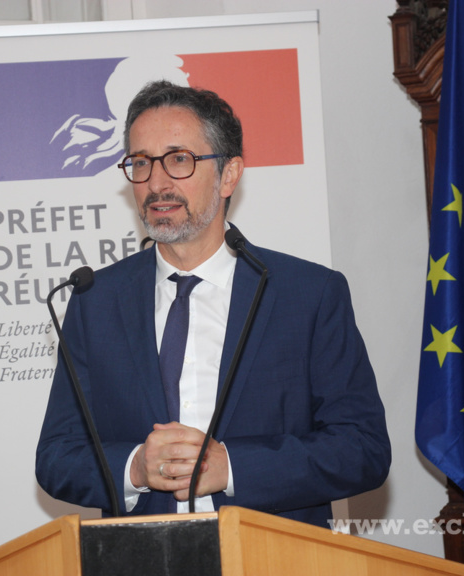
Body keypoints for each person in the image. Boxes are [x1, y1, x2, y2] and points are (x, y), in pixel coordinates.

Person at [35, 80, 390, 527]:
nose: (156, 183)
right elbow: (57, 456)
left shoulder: (308, 294)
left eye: (179, 159)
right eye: (141, 163)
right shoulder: (95, 300)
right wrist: (135, 468)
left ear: (229, 174)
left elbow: (364, 449)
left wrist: (234, 467)